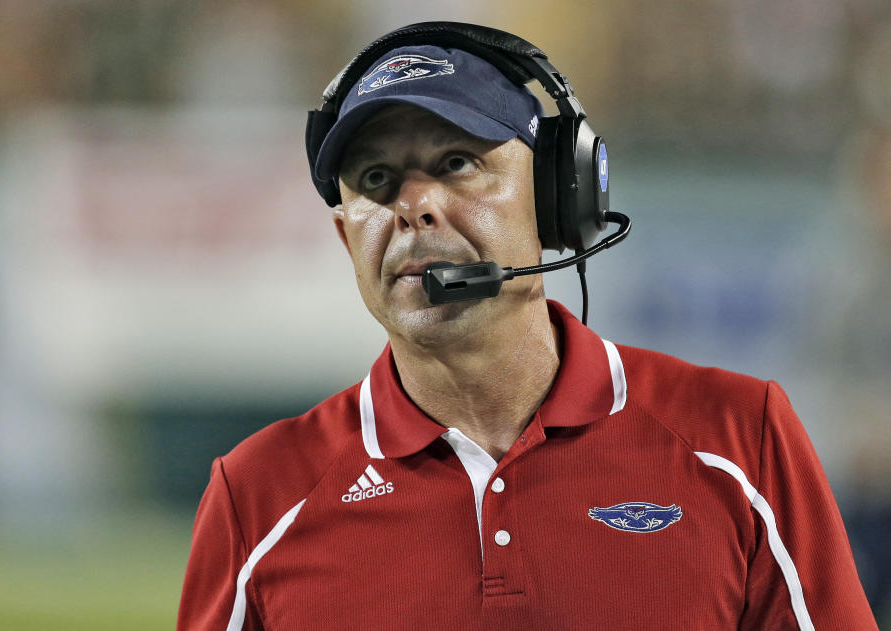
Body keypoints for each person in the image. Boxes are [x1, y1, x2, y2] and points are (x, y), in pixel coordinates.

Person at [176, 23, 878, 630]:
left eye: (457, 163)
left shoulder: (740, 436)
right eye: (377, 179)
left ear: (557, 197)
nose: (413, 205)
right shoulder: (257, 495)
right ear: (344, 237)